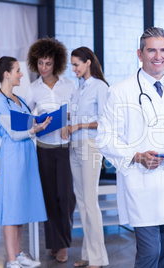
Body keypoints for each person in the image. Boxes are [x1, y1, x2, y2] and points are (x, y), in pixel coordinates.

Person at [95, 27, 164, 268]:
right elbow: (105, 138)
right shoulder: (119, 91)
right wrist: (137, 156)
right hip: (140, 182)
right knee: (150, 252)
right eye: (151, 50)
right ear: (140, 54)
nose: (158, 56)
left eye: (163, 50)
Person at [0, 56, 51, 268]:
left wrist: (43, 122)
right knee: (12, 207)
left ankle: (18, 253)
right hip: (13, 156)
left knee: (22, 204)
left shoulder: (19, 100)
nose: (21, 74)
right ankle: (11, 259)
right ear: (6, 74)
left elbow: (28, 123)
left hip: (26, 155)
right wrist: (34, 129)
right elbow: (14, 134)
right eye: (17, 71)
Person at [26, 37, 76, 263]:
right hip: (43, 149)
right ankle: (56, 244)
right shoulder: (32, 89)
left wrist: (67, 119)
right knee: (48, 196)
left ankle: (63, 243)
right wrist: (37, 123)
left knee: (65, 196)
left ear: (56, 63)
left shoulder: (70, 86)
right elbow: (27, 119)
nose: (43, 68)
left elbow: (78, 113)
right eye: (40, 63)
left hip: (65, 148)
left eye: (47, 63)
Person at [61, 46, 109, 268]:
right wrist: (67, 124)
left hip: (90, 146)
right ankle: (88, 254)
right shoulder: (79, 89)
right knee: (81, 202)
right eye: (72, 65)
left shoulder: (100, 87)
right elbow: (73, 114)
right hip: (74, 146)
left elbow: (105, 122)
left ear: (88, 62)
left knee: (90, 201)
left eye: (76, 64)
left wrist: (79, 125)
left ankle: (98, 259)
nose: (73, 69)